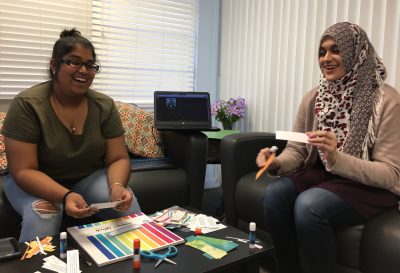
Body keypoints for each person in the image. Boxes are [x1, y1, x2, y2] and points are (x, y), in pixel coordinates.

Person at [256, 22, 400, 273]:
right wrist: (276, 162)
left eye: (336, 50)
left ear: (357, 52)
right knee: (275, 194)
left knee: (309, 205)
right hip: (329, 176)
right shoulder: (314, 97)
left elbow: (390, 173)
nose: (326, 58)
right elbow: (297, 150)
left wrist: (336, 157)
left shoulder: (387, 100)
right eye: (322, 52)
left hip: (369, 185)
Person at [2, 28, 141, 242]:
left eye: (90, 64)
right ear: (54, 65)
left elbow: (118, 158)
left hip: (86, 177)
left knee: (126, 207)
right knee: (44, 217)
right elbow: (23, 171)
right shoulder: (27, 105)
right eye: (74, 62)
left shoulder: (104, 106)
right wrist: (65, 195)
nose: (84, 70)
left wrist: (117, 186)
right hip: (33, 181)